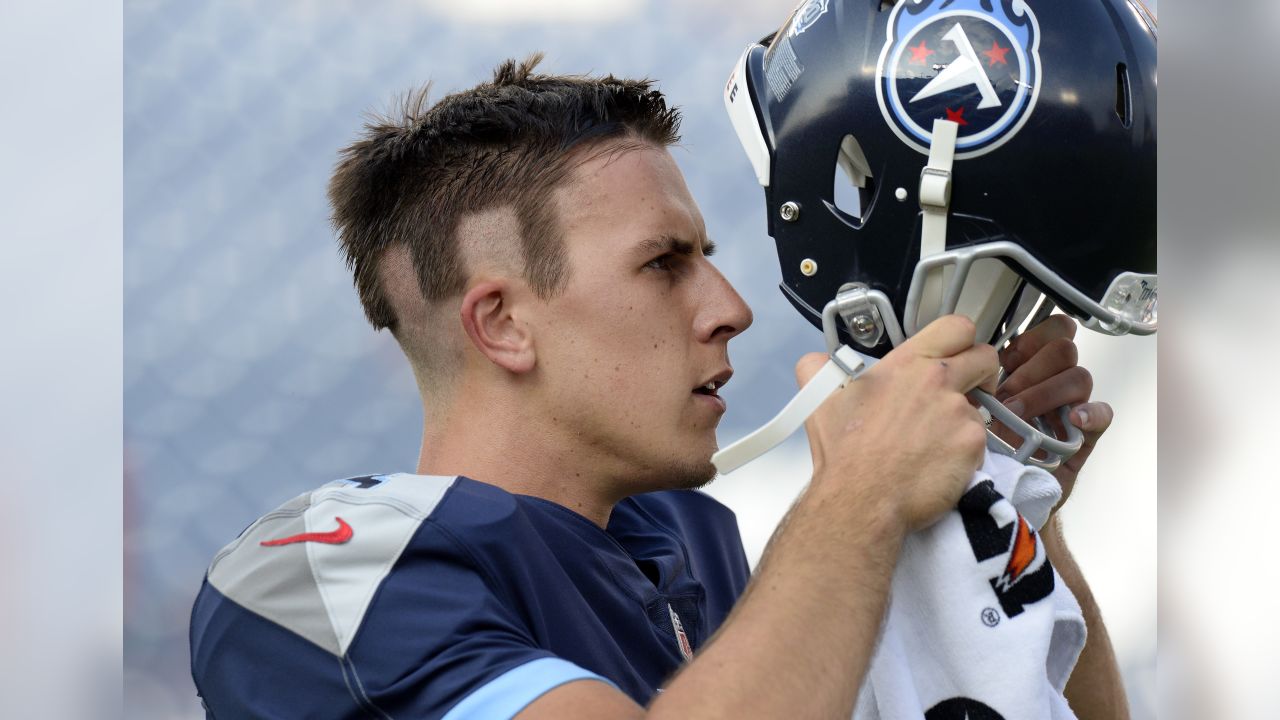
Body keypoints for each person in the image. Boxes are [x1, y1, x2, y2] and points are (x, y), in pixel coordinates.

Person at [189, 56, 1127, 719]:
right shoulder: (319, 567)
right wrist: (864, 493)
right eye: (664, 264)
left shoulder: (692, 542)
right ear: (502, 324)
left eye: (708, 258)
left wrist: (1010, 525)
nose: (730, 309)